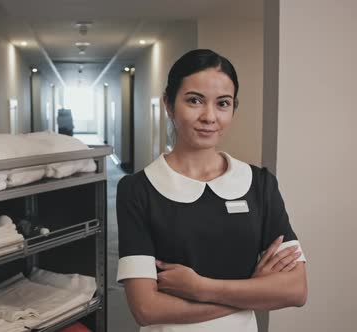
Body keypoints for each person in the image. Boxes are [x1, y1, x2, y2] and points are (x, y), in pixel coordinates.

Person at [115, 49, 307, 332]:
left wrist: (201, 287)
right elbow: (146, 308)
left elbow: (295, 289)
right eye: (194, 100)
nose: (209, 116)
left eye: (223, 103)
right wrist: (254, 289)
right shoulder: (138, 189)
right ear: (169, 104)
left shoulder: (260, 184)